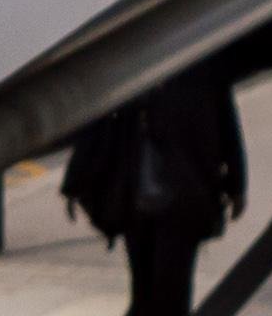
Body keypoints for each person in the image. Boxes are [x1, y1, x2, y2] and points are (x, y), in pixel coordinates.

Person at [57, 68, 248, 316]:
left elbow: (226, 120)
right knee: (145, 291)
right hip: (136, 197)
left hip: (182, 197)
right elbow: (97, 126)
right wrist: (74, 182)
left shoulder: (200, 68)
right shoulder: (128, 70)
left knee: (171, 293)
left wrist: (237, 184)